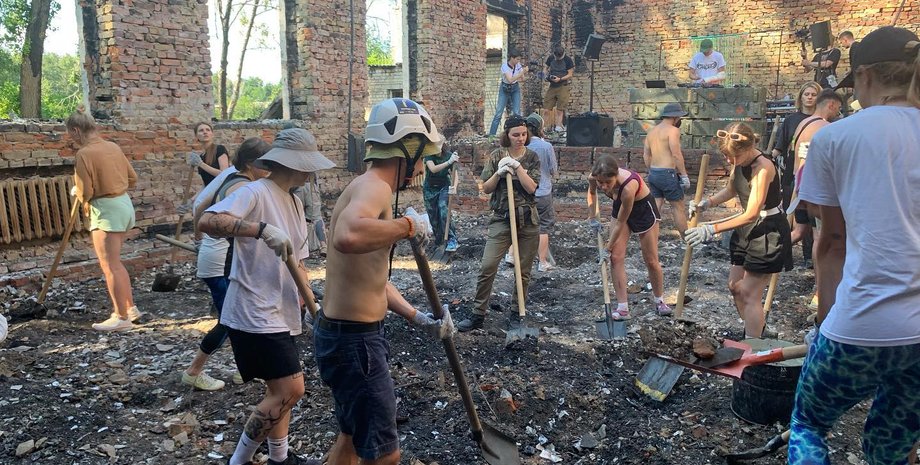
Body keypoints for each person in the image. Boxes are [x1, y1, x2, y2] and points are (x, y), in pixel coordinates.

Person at [789, 26, 920, 464]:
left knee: (809, 425)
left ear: (864, 76)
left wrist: (824, 322)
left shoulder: (834, 138)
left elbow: (832, 242)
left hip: (861, 325)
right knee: (889, 450)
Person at [316, 98, 454, 465]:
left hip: (346, 337)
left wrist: (418, 317)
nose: (424, 164)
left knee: (350, 438)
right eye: (422, 154)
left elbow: (373, 278)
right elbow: (347, 234)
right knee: (385, 456)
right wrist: (407, 226)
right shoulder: (375, 187)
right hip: (354, 343)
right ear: (407, 149)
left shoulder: (368, 186)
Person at [199, 128, 334, 465]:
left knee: (279, 393)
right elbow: (207, 220)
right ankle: (239, 460)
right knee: (292, 390)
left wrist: (310, 302)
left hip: (283, 307)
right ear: (295, 165)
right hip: (253, 309)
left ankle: (279, 458)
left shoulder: (294, 201)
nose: (312, 172)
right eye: (309, 166)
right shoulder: (254, 192)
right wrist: (258, 229)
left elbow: (297, 260)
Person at [685, 122, 792, 338]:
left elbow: (752, 213)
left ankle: (752, 347)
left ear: (748, 148)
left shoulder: (763, 168)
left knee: (749, 293)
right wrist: (707, 203)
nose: (729, 161)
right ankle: (756, 328)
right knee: (735, 287)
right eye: (726, 156)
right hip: (746, 230)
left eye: (732, 157)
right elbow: (732, 189)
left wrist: (711, 229)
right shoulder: (739, 160)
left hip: (767, 231)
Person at [181, 138, 271, 391]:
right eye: (267, 164)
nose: (271, 169)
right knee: (229, 320)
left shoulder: (235, 177)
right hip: (220, 262)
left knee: (242, 315)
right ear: (252, 163)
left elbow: (201, 203)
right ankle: (194, 371)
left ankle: (247, 369)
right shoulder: (241, 187)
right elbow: (217, 218)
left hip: (220, 258)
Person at [457, 115, 541, 332]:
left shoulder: (532, 157)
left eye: (523, 134)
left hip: (527, 219)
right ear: (507, 135)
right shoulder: (496, 156)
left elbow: (532, 188)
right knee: (488, 265)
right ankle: (478, 314)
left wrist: (517, 168)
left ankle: (517, 313)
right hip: (502, 219)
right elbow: (486, 188)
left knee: (523, 270)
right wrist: (500, 172)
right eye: (516, 135)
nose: (520, 138)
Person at [67, 107, 141, 332]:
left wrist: (76, 192)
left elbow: (86, 192)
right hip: (124, 204)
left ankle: (120, 318)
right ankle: (129, 308)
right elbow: (133, 178)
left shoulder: (84, 154)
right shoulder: (113, 146)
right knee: (116, 262)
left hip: (106, 210)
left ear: (77, 130)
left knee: (109, 265)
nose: (70, 139)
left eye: (70, 134)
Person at [588, 155, 671, 319]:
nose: (604, 187)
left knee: (651, 259)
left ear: (616, 175)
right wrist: (592, 218)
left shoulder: (628, 186)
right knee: (616, 257)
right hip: (620, 208)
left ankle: (660, 300)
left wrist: (606, 247)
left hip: (642, 210)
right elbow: (591, 193)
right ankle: (622, 308)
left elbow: (620, 222)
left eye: (607, 183)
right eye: (601, 183)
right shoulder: (593, 177)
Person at [786, 90, 843, 272]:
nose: (837, 113)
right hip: (814, 191)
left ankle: (770, 253)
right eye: (838, 109)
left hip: (799, 186)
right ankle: (820, 289)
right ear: (831, 105)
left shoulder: (803, 123)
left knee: (799, 232)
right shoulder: (824, 127)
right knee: (819, 238)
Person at [773, 81, 821, 266]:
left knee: (812, 219)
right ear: (800, 97)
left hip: (815, 175)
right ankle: (784, 255)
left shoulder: (823, 121)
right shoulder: (792, 120)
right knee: (790, 216)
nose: (809, 97)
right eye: (806, 94)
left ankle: (810, 256)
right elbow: (780, 146)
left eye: (813, 94)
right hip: (792, 174)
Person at [644, 102, 691, 236]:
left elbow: (646, 154)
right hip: (667, 173)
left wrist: (651, 171)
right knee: (678, 207)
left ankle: (649, 236)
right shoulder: (673, 130)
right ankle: (686, 238)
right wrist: (684, 175)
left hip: (653, 172)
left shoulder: (651, 132)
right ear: (675, 117)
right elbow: (676, 154)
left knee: (656, 206)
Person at [525, 112, 558, 272]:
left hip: (525, 193)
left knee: (522, 226)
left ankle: (513, 256)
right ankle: (542, 262)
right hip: (543, 192)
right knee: (543, 228)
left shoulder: (522, 146)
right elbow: (553, 170)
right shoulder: (546, 147)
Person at [423, 146, 460, 252]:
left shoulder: (449, 155)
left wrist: (454, 187)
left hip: (444, 186)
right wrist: (449, 162)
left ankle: (451, 238)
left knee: (443, 208)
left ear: (443, 145)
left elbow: (455, 174)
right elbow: (433, 169)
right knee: (433, 215)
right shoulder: (428, 155)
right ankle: (439, 241)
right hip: (430, 188)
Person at [489, 50, 528, 136]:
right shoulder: (504, 67)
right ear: (512, 58)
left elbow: (522, 79)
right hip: (505, 88)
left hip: (515, 88)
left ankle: (516, 133)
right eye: (517, 59)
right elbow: (510, 80)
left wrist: (524, 73)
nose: (518, 61)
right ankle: (491, 135)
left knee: (516, 112)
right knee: (498, 113)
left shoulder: (518, 66)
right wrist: (522, 72)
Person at [292, 173, 328, 255]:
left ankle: (298, 247)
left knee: (295, 216)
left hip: (296, 188)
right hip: (309, 185)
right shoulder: (310, 161)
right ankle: (323, 246)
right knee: (315, 217)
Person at [543, 45, 575, 133]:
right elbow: (545, 68)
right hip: (552, 86)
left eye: (559, 57)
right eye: (557, 57)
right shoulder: (550, 58)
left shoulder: (568, 60)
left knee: (559, 109)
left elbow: (570, 74)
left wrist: (560, 79)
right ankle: (544, 127)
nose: (558, 58)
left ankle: (558, 126)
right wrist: (545, 76)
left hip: (563, 85)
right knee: (546, 108)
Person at [186, 122, 230, 186]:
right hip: (209, 191)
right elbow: (206, 184)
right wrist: (197, 196)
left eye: (208, 130)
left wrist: (201, 164)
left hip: (221, 190)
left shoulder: (219, 149)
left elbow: (224, 174)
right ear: (196, 136)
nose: (205, 132)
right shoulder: (201, 157)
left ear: (212, 134)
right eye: (201, 130)